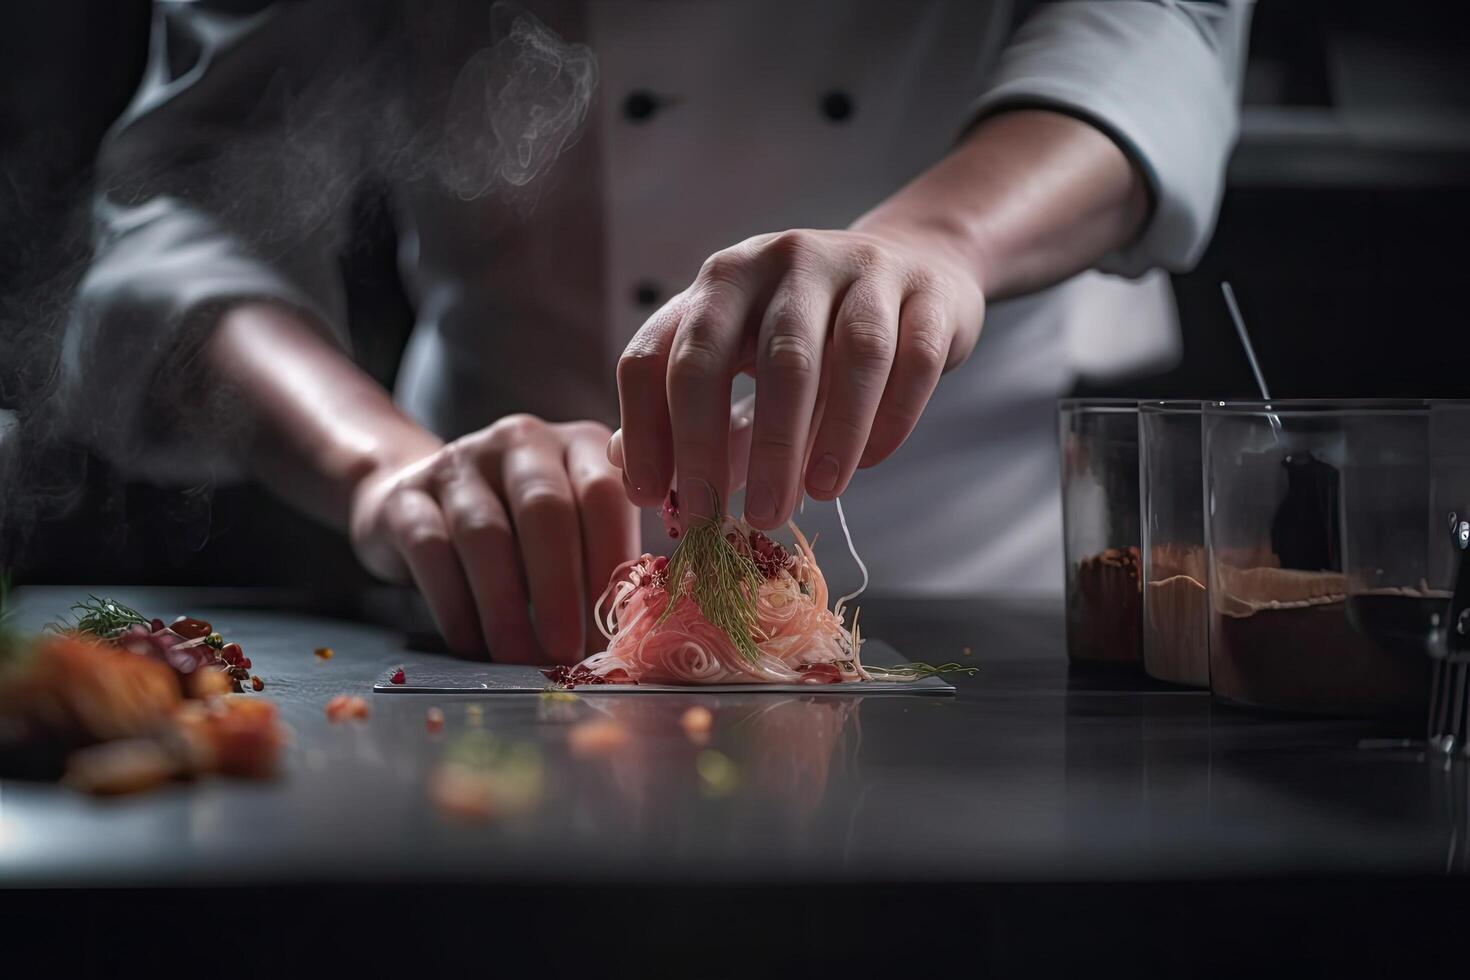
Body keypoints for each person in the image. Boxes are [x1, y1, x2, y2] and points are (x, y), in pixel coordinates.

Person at [64, 0, 1252, 664]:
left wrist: (944, 239)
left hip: (993, 567)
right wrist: (390, 473)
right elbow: (189, 203)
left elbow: (1158, 26)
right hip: (506, 595)